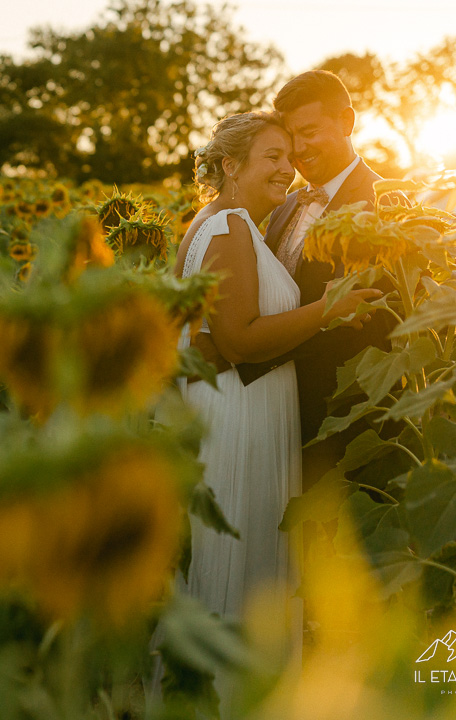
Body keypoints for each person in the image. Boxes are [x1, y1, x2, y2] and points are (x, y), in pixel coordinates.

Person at [151, 110, 378, 715]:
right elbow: (241, 340)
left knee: (235, 569)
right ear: (230, 166)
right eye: (271, 157)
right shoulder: (227, 227)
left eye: (288, 155)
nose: (288, 167)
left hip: (236, 408)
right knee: (245, 577)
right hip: (240, 420)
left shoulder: (219, 223)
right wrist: (327, 310)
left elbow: (200, 334)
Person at [202, 70, 395, 492]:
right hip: (278, 418)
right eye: (291, 136)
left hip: (349, 422)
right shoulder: (285, 203)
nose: (299, 150)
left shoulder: (386, 204)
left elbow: (367, 321)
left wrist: (241, 352)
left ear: (346, 122)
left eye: (309, 132)